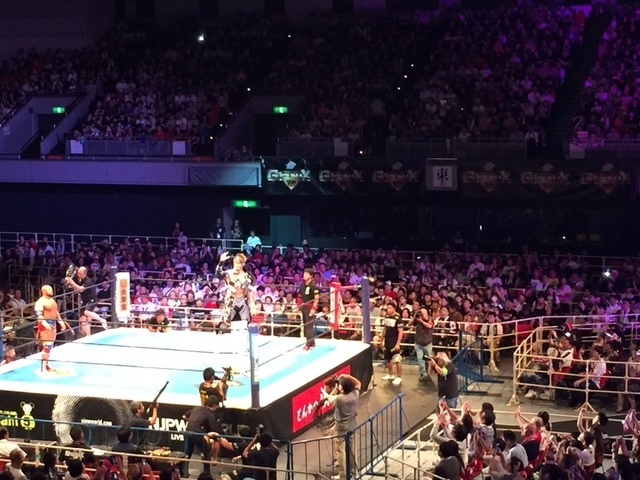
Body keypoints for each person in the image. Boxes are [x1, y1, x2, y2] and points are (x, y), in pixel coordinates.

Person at [182, 395, 234, 473]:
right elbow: (214, 429)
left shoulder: (197, 408)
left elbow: (184, 416)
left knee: (187, 455)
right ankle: (207, 473)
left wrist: (192, 422)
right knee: (206, 453)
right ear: (214, 406)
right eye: (217, 406)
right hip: (197, 434)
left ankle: (183, 473)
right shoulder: (209, 414)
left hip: (188, 432)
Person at [325, 374, 361, 480]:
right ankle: (354, 471)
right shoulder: (355, 395)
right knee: (351, 450)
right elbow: (358, 383)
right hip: (352, 425)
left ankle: (343, 475)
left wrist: (335, 389)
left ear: (342, 387)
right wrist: (348, 376)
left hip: (341, 428)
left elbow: (329, 397)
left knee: (340, 451)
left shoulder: (340, 399)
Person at [34, 284, 73, 372]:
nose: (51, 290)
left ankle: (46, 365)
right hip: (45, 324)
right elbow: (38, 315)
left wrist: (60, 321)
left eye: (51, 289)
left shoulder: (52, 300)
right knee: (46, 346)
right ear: (43, 291)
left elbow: (55, 311)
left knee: (50, 346)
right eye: (49, 289)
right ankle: (43, 367)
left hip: (53, 323)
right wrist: (45, 324)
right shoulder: (40, 302)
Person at [216, 252, 255, 329]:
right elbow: (218, 274)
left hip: (243, 301)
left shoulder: (248, 276)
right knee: (226, 325)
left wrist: (252, 304)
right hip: (231, 301)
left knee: (244, 326)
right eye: (235, 263)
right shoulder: (228, 273)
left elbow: (249, 292)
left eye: (238, 263)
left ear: (243, 264)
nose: (236, 265)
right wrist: (221, 262)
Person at [65, 267, 107, 335]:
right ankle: (88, 335)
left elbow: (81, 289)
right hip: (84, 300)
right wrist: (70, 283)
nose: (79, 275)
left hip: (92, 299)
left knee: (86, 312)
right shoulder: (78, 278)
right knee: (82, 319)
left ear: (85, 273)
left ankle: (101, 320)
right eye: (78, 273)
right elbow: (77, 289)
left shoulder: (88, 281)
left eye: (81, 274)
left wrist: (72, 282)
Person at [381, 301, 404, 386]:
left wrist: (398, 343)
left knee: (397, 359)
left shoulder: (398, 319)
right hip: (387, 341)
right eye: (388, 308)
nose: (388, 309)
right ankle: (390, 374)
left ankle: (399, 377)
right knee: (388, 358)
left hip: (394, 341)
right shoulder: (386, 317)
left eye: (390, 308)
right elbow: (385, 329)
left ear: (394, 309)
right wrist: (381, 340)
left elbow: (401, 332)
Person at [408, 308, 433, 381]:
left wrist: (422, 321)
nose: (421, 314)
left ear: (426, 313)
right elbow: (409, 324)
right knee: (420, 360)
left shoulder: (430, 319)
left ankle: (428, 374)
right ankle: (423, 374)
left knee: (428, 360)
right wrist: (414, 317)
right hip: (418, 343)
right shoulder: (417, 319)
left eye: (422, 313)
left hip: (427, 344)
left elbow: (429, 326)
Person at [298, 268, 319, 351]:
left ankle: (308, 344)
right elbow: (299, 295)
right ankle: (312, 342)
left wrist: (313, 308)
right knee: (306, 325)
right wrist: (299, 304)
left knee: (309, 326)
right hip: (304, 306)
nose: (304, 275)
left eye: (307, 274)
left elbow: (316, 298)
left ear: (311, 276)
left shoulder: (313, 285)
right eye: (304, 273)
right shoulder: (302, 284)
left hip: (310, 307)